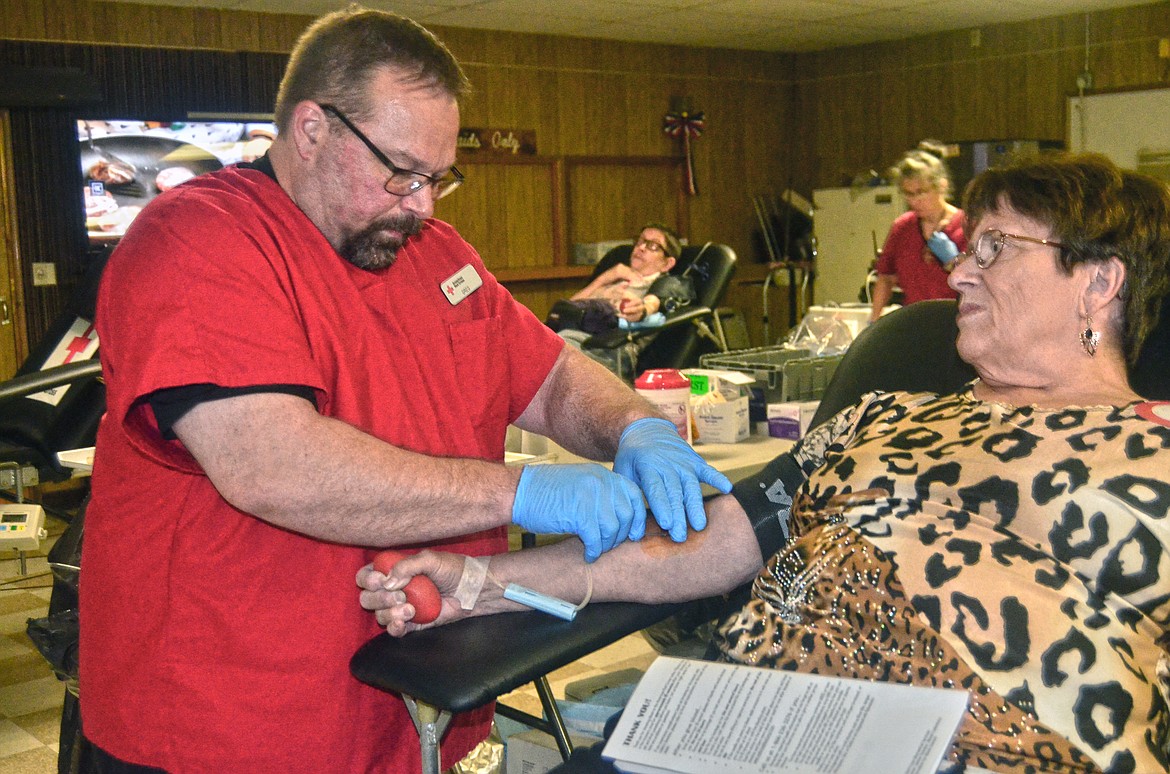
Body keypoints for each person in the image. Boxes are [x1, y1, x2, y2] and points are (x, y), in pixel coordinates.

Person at [360, 153, 1170, 773]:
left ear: (1099, 281)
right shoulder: (883, 416)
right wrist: (484, 584)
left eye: (996, 248)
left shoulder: (1157, 455)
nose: (959, 272)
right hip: (758, 726)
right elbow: (714, 542)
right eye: (968, 246)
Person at [80, 7, 732, 773]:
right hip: (227, 723)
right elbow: (272, 465)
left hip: (410, 705)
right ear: (313, 128)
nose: (422, 202)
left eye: (437, 177)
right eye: (401, 171)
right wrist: (523, 493)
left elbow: (548, 375)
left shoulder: (431, 251)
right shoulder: (197, 241)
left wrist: (635, 429)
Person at [552, 223, 695, 378]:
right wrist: (607, 277)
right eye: (640, 241)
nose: (640, 248)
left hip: (612, 349)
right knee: (540, 344)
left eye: (653, 246)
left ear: (668, 263)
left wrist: (642, 310)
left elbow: (652, 302)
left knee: (550, 352)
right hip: (578, 335)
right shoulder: (616, 279)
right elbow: (561, 310)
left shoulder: (667, 283)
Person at [869, 140, 967, 322]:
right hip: (915, 322)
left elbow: (981, 282)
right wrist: (873, 321)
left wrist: (955, 262)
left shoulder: (966, 226)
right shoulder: (902, 227)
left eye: (921, 192)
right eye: (908, 194)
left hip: (956, 322)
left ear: (942, 186)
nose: (915, 201)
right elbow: (885, 277)